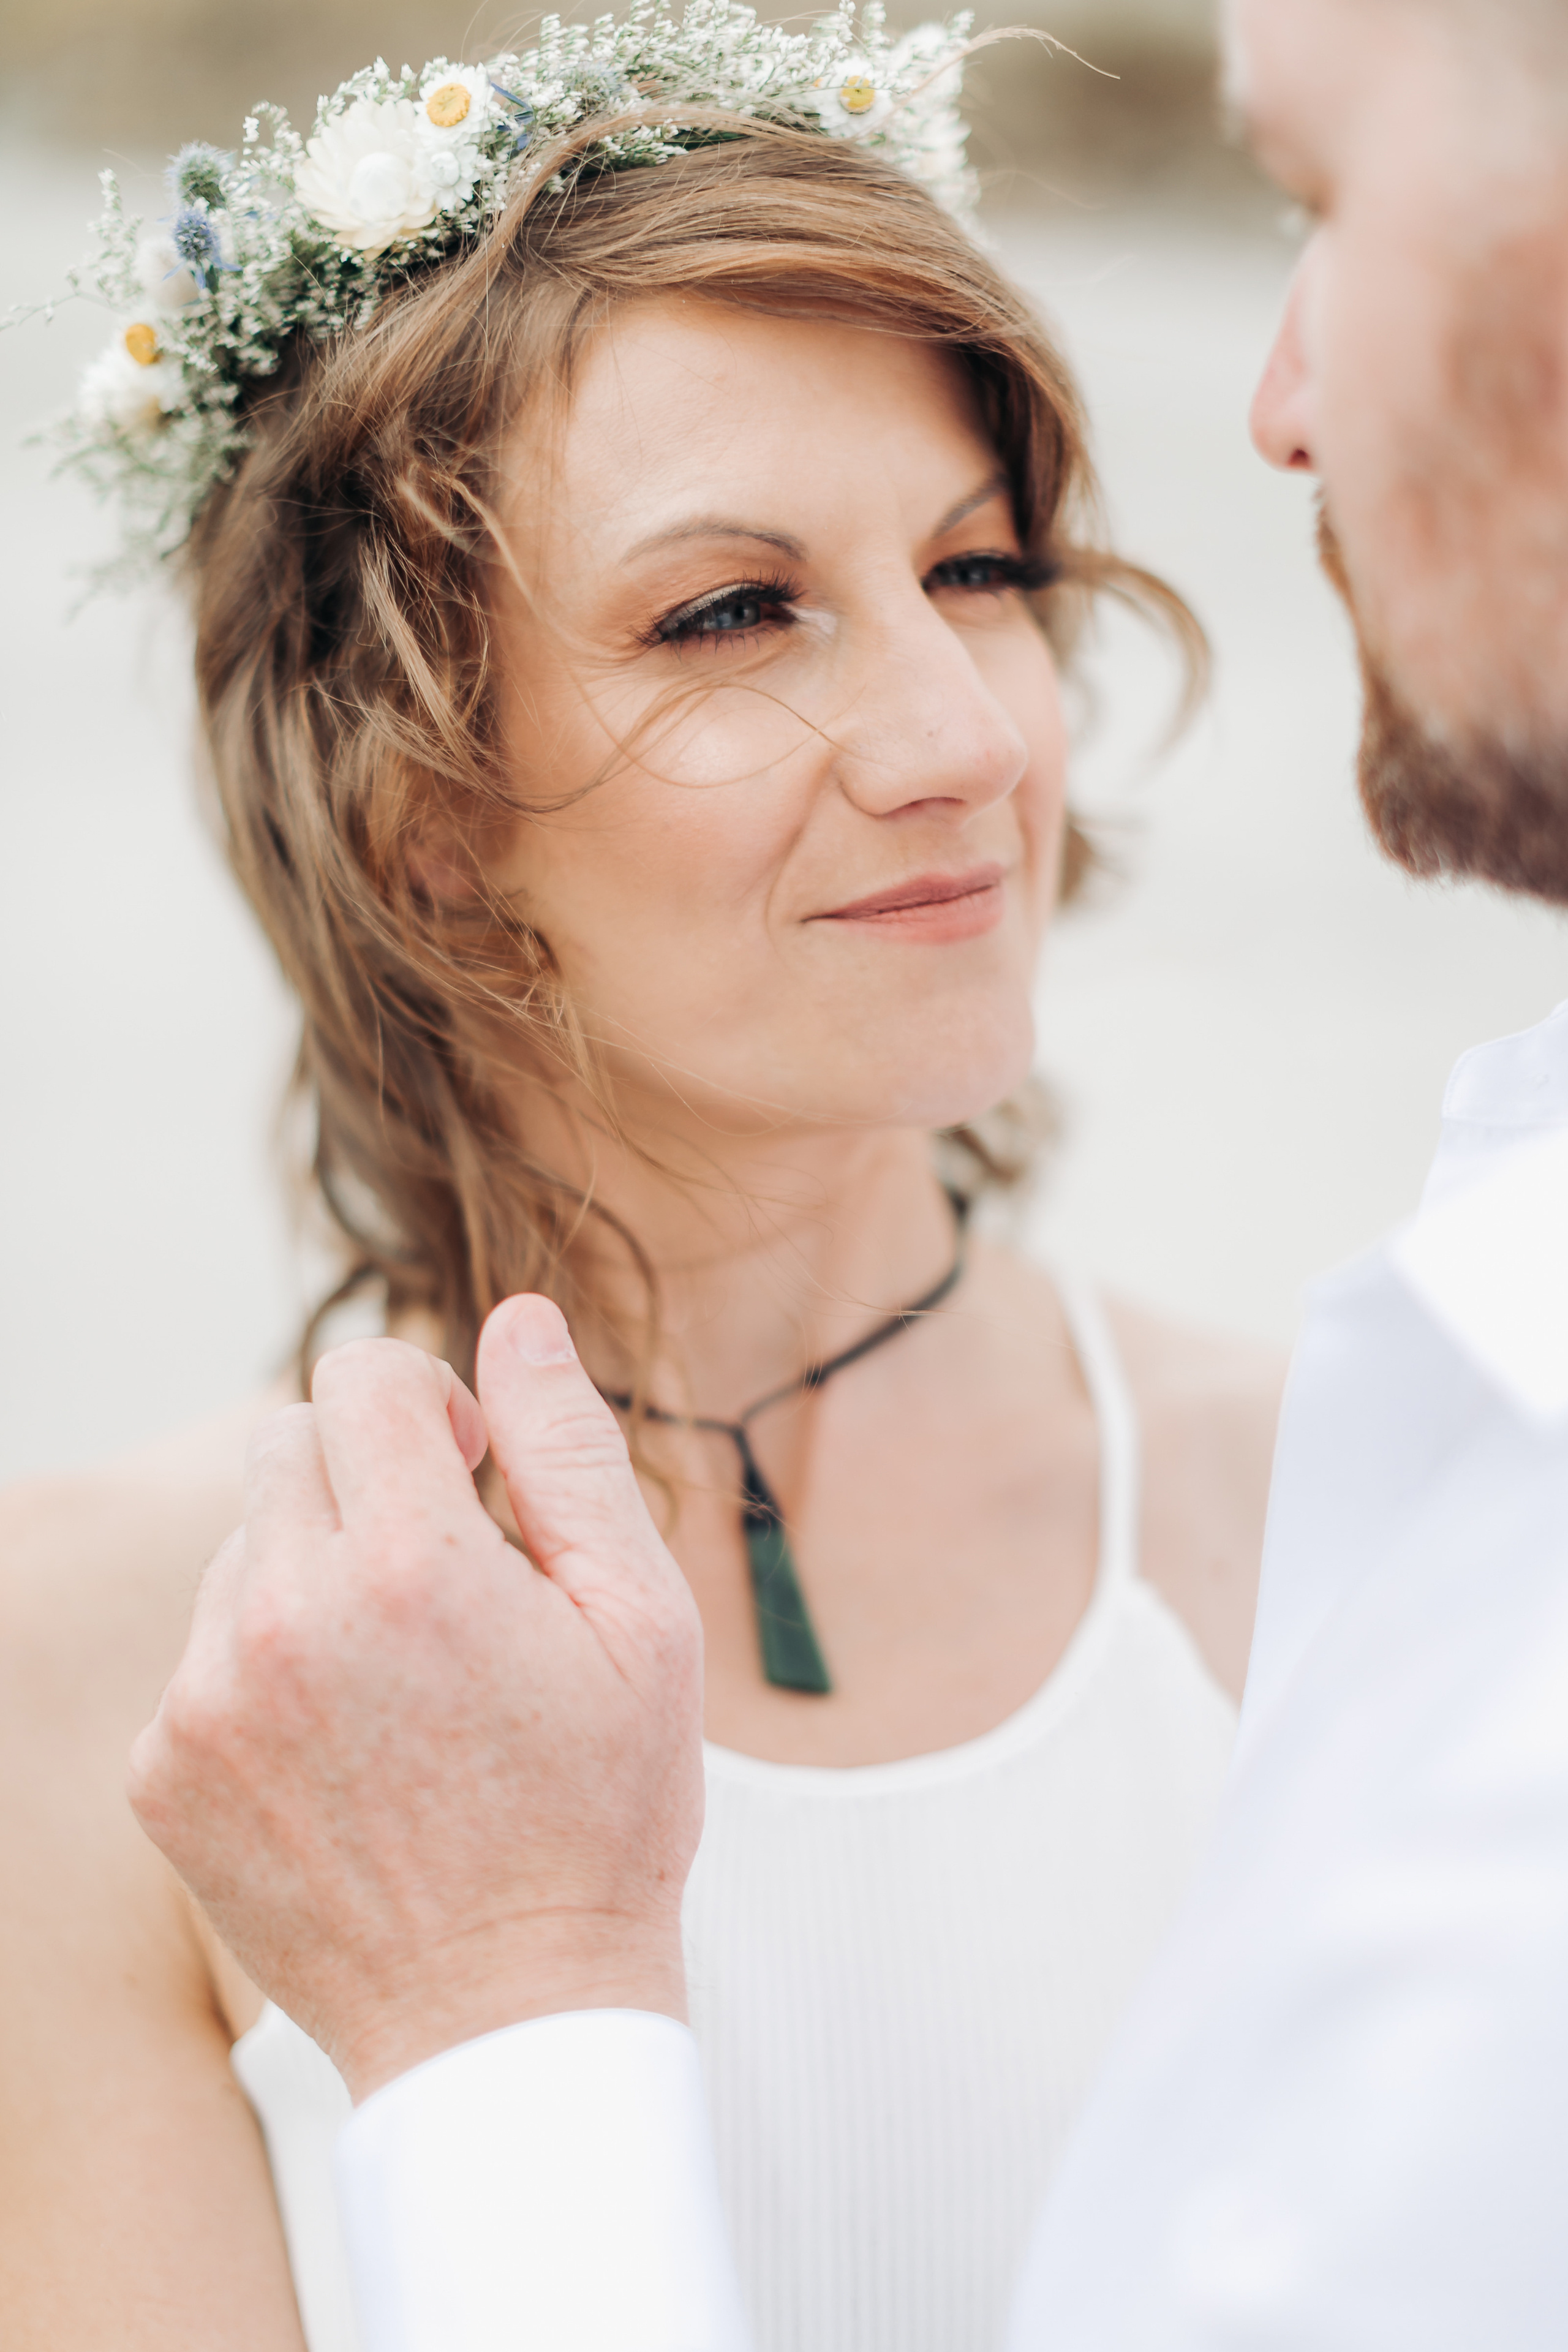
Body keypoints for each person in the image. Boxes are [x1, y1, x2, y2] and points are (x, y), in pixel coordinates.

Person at [124, 0, 1568, 2343]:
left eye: (984, 571)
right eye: (731, 611)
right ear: (423, 812)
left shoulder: (1382, 1505)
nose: (960, 737)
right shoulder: (104, 1677)